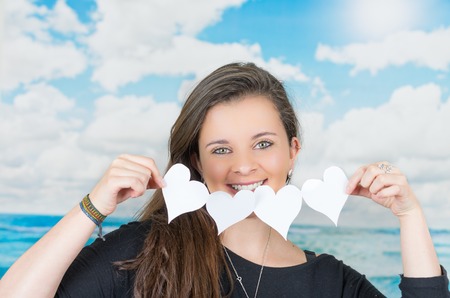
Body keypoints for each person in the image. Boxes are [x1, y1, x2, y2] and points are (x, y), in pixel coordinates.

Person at [0, 62, 448, 298]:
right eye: (221, 149)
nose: (243, 164)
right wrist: (94, 206)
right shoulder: (144, 251)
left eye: (263, 143)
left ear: (293, 149)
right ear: (196, 159)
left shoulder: (332, 283)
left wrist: (410, 215)